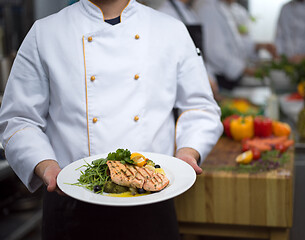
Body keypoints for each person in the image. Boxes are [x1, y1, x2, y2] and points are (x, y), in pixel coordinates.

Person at [0, 0, 223, 239]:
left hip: (152, 199)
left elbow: (200, 108)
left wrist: (187, 154)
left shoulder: (171, 30)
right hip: (71, 203)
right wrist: (47, 167)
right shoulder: (45, 33)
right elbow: (19, 119)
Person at [193, 0, 277, 90]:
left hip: (233, 76)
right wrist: (244, 70)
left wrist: (259, 46)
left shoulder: (232, 9)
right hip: (220, 79)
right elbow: (215, 52)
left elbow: (237, 43)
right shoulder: (208, 8)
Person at [156, 0, 220, 99]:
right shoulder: (165, 14)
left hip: (200, 84)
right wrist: (204, 79)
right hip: (183, 91)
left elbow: (199, 52)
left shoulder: (190, 12)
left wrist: (209, 77)